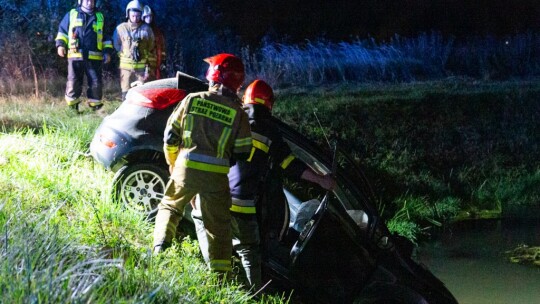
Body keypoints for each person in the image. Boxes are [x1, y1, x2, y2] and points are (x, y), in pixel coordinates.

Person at [192, 79, 336, 290]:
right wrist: (322, 179)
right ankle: (253, 293)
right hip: (243, 204)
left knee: (203, 223)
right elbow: (291, 165)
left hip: (215, 195)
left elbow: (208, 153)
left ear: (245, 99)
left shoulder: (230, 119)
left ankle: (217, 282)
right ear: (269, 104)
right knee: (249, 250)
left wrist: (195, 188)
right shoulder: (271, 133)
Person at [152, 53, 252, 275]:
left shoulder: (192, 100)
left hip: (185, 169)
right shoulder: (239, 114)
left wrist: (173, 163)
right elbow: (244, 152)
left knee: (170, 206)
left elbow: (170, 137)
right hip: (216, 178)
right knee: (218, 228)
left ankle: (159, 248)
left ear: (213, 75)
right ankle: (221, 276)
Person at [55, 0, 113, 113]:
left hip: (95, 57)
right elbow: (62, 31)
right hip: (75, 55)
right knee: (73, 81)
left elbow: (106, 37)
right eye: (86, 0)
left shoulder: (100, 17)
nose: (89, 2)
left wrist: (107, 52)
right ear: (80, 1)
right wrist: (60, 45)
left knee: (96, 82)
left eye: (92, 0)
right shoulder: (72, 14)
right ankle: (72, 108)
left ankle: (95, 107)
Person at [112, 0, 155, 101]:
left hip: (140, 69)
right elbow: (116, 44)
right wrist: (123, 53)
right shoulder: (121, 28)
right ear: (128, 14)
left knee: (140, 92)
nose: (135, 18)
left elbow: (151, 45)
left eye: (137, 16)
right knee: (125, 91)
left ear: (141, 15)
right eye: (133, 16)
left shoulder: (147, 29)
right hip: (125, 68)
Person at [142, 5, 167, 79]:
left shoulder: (157, 31)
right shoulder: (140, 31)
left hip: (156, 63)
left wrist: (163, 60)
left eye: (150, 16)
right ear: (143, 17)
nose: (149, 19)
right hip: (144, 65)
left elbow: (162, 46)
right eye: (146, 17)